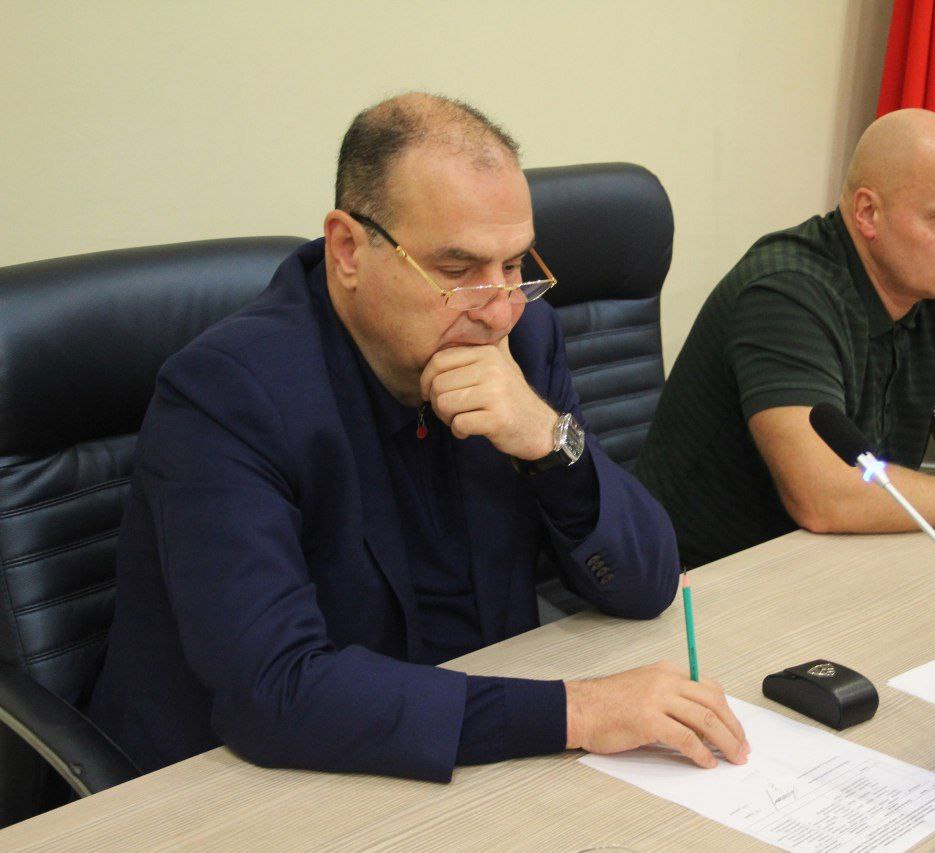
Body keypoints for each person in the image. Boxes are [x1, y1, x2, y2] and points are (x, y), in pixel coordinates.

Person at [89, 93, 747, 780]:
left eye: (514, 266)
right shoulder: (227, 395)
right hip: (252, 784)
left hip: (471, 748)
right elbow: (276, 689)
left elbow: (647, 583)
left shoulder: (522, 339)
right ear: (348, 249)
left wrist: (548, 438)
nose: (499, 310)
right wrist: (578, 712)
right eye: (458, 272)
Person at [636, 108, 935, 568]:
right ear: (868, 212)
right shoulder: (786, 292)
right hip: (703, 579)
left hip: (831, 562)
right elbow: (824, 497)